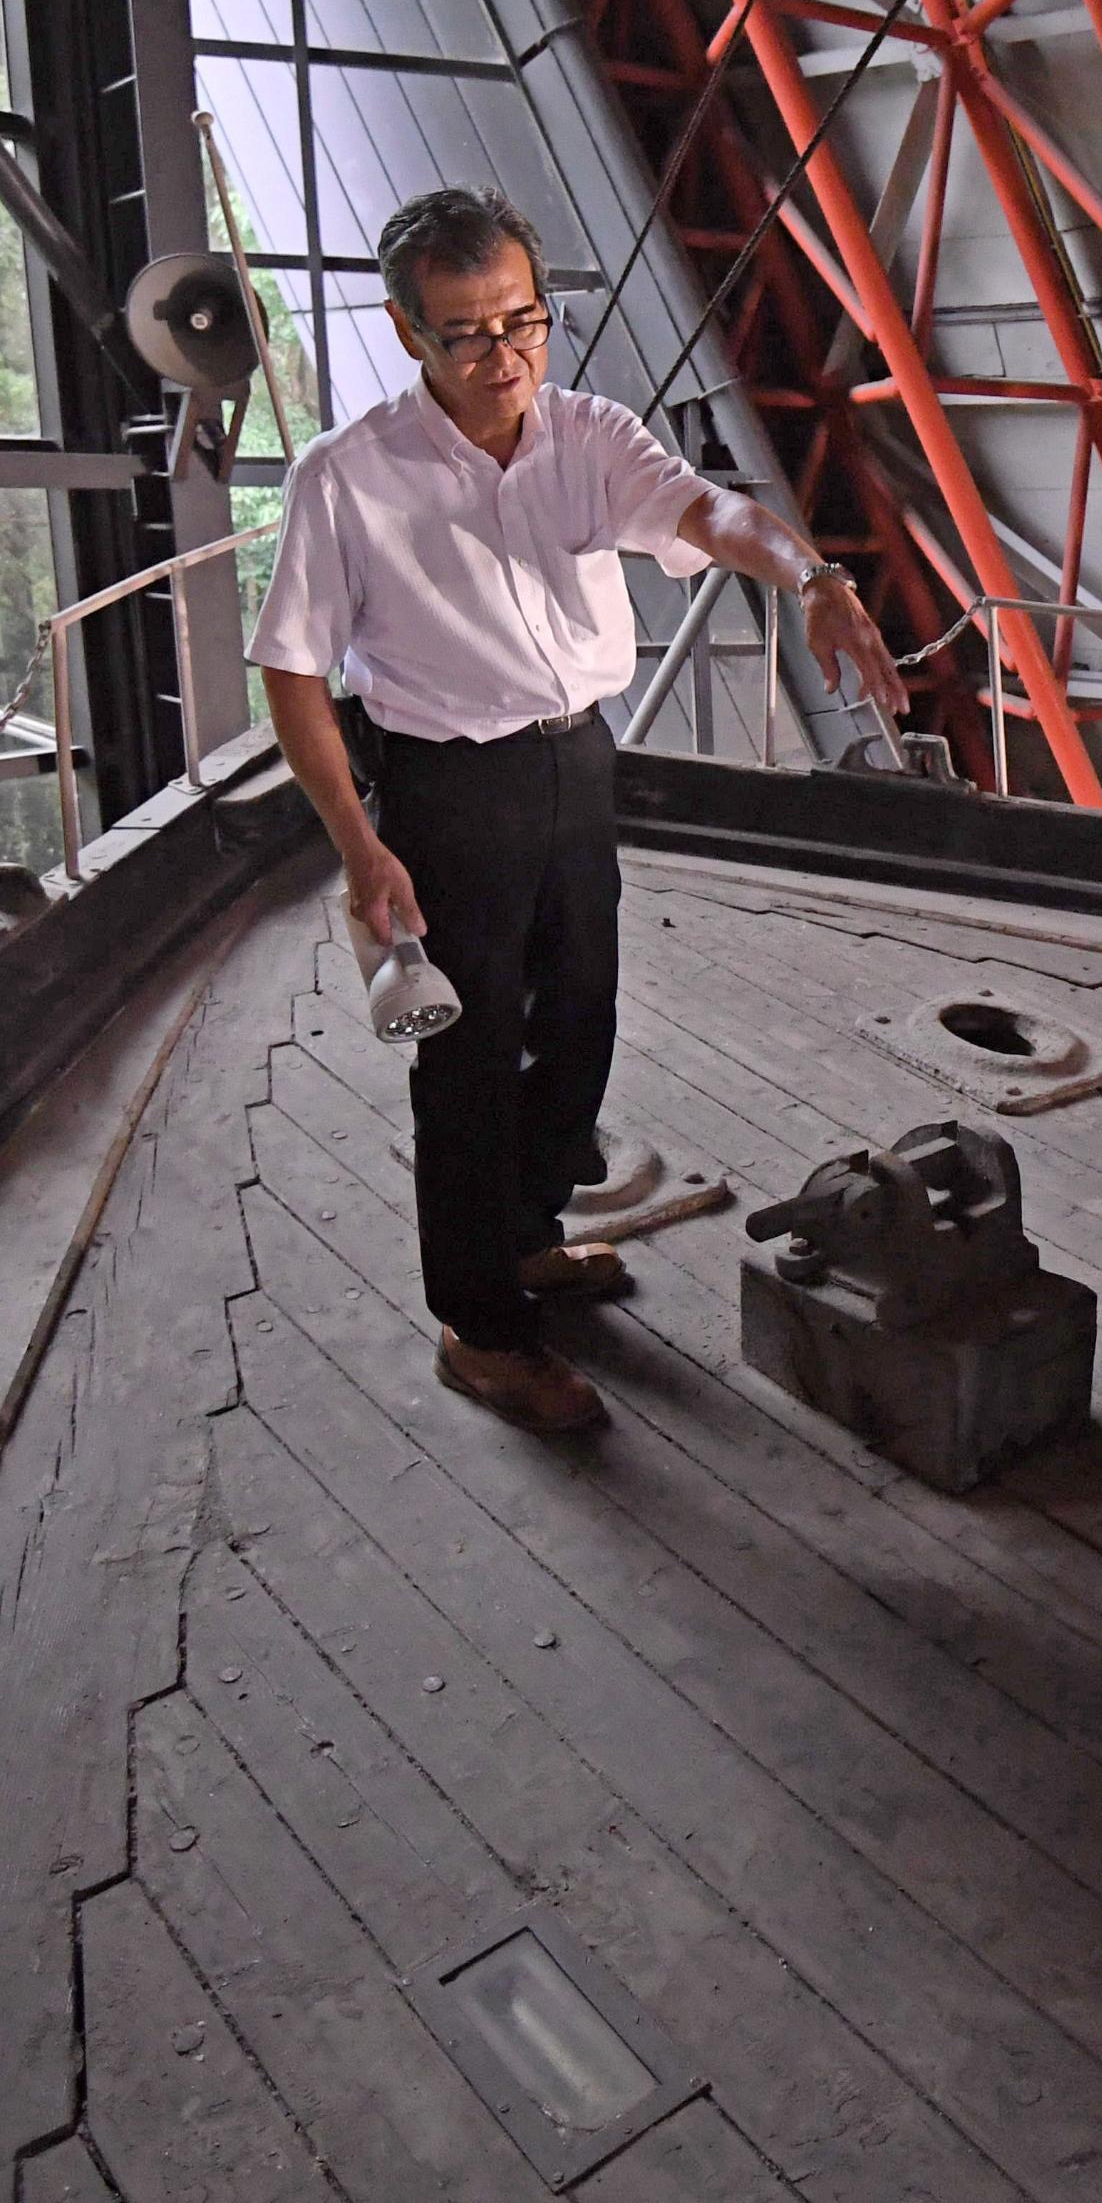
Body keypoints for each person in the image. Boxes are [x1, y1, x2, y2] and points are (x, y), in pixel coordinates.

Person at [250, 186, 907, 1434]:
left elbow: (706, 512)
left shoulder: (588, 433)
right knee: (466, 1055)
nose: (503, 356)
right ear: (405, 332)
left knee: (582, 1015)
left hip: (576, 761)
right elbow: (291, 667)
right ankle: (481, 1327)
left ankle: (528, 1234)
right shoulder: (347, 475)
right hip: (446, 784)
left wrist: (811, 574)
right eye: (465, 333)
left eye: (522, 321)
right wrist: (359, 846)